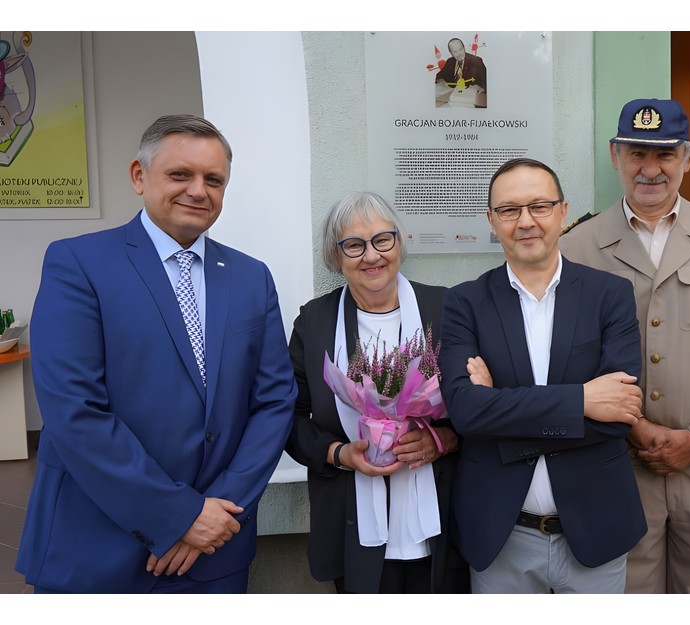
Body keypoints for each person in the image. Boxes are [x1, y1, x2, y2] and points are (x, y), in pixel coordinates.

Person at [17, 114, 297, 593]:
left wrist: (217, 513)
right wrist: (179, 515)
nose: (198, 191)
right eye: (180, 174)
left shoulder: (252, 277)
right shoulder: (78, 263)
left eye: (214, 180)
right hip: (96, 546)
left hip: (216, 548)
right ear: (139, 176)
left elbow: (275, 401)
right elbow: (73, 410)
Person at [560, 98, 690, 594]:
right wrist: (636, 428)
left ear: (688, 157)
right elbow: (571, 355)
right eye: (637, 153)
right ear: (615, 155)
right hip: (620, 463)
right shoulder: (577, 246)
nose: (650, 169)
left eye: (665, 154)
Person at [439, 158, 647, 593]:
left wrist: (500, 408)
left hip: (597, 527)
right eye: (509, 210)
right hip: (501, 533)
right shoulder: (464, 303)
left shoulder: (610, 295)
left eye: (539, 206)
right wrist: (582, 400)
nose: (526, 221)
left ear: (562, 211)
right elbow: (466, 413)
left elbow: (619, 416)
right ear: (491, 220)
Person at [284, 192, 468, 594]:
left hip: (441, 521)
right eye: (354, 245)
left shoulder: (446, 307)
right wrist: (338, 454)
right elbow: (289, 418)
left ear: (399, 242)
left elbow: (479, 404)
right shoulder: (315, 322)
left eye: (382, 240)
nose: (372, 255)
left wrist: (443, 440)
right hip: (350, 523)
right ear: (336, 256)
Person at [435, 37, 487, 108]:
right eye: (455, 51)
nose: (459, 54)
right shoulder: (450, 61)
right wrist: (442, 81)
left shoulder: (476, 61)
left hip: (470, 102)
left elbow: (487, 83)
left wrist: (480, 88)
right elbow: (439, 77)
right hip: (451, 100)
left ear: (464, 48)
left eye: (460, 49)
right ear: (451, 53)